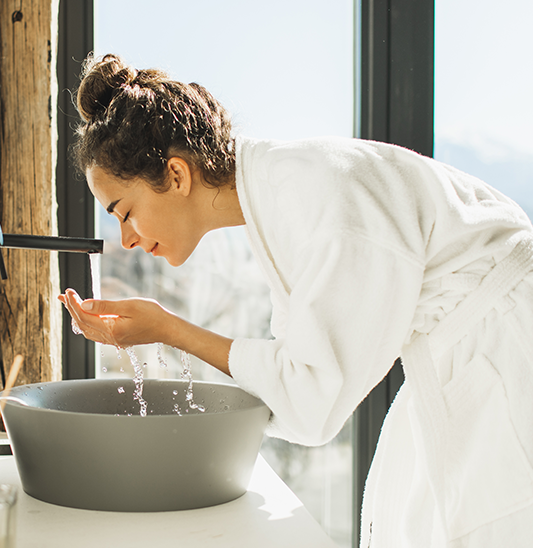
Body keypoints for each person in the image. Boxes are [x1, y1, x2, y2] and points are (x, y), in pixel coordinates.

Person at [58, 53, 533, 547]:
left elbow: (311, 403)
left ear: (176, 176)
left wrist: (168, 330)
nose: (126, 239)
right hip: (474, 343)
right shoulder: (276, 193)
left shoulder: (319, 201)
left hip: (505, 349)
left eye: (125, 211)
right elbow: (291, 379)